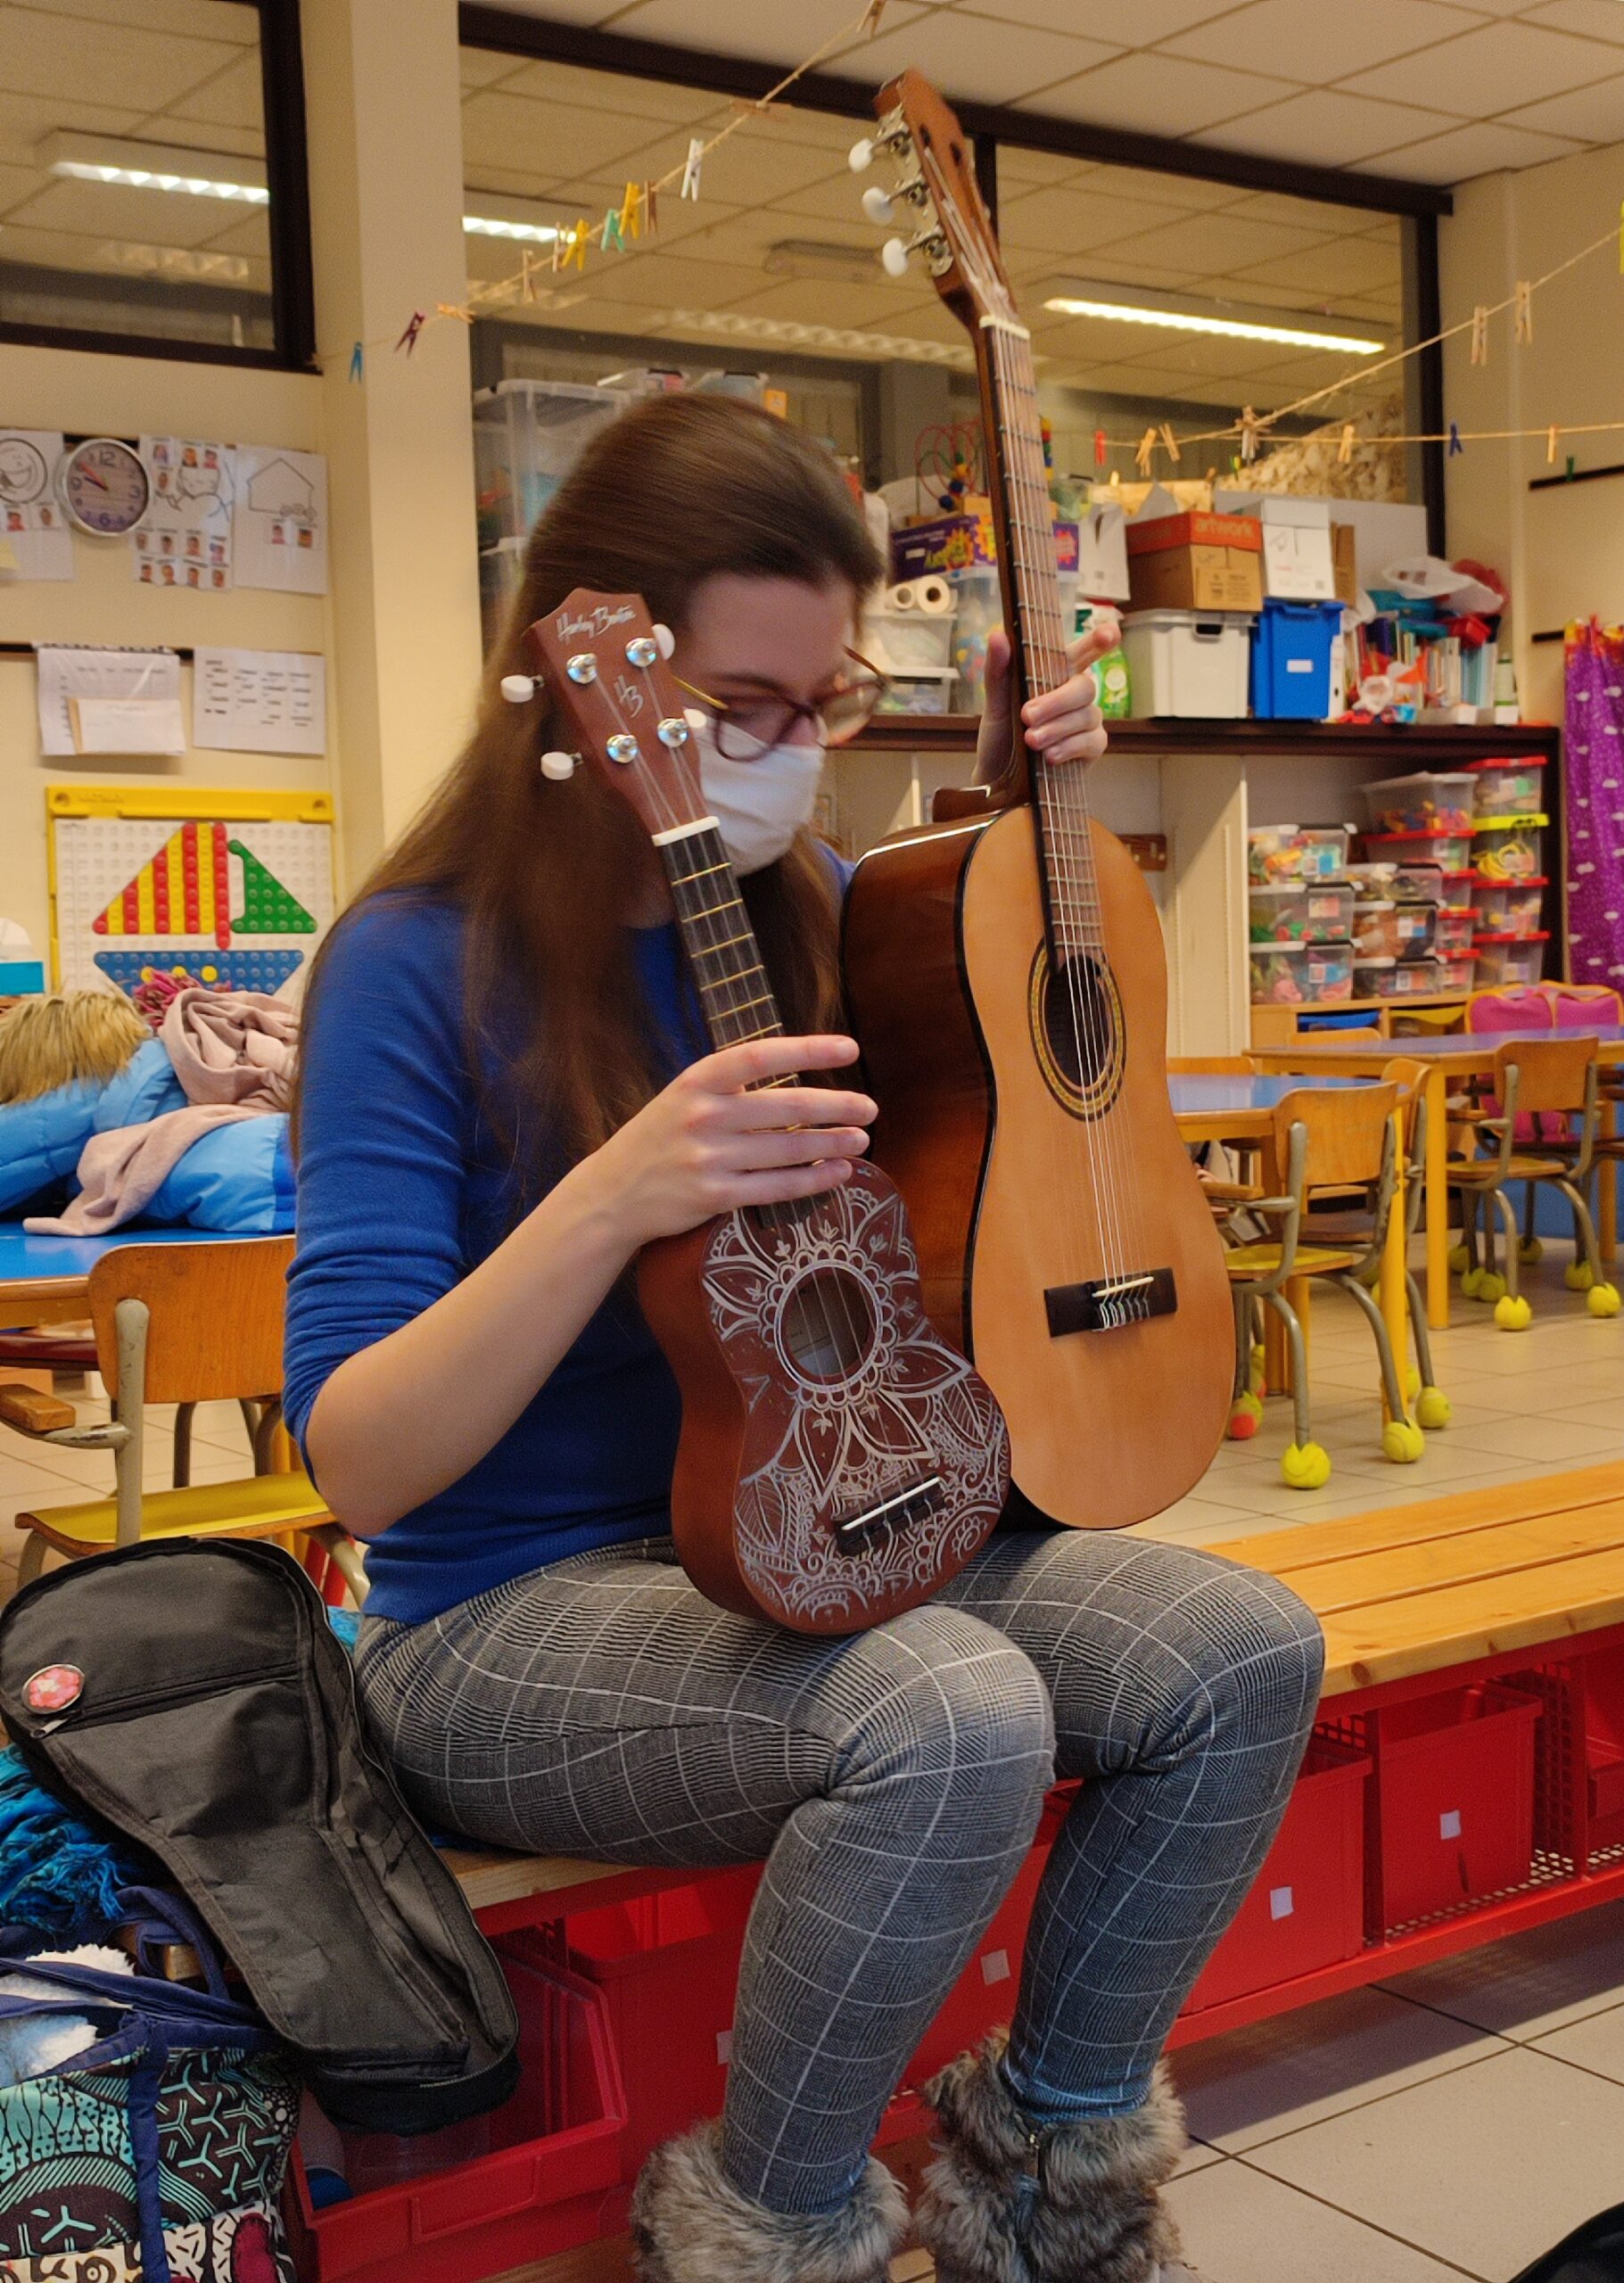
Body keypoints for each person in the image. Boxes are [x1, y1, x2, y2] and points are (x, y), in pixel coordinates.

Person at [285, 395, 1323, 2283]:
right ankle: (761, 2231)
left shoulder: (809, 908)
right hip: (501, 1614)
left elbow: (982, 1116)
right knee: (950, 1709)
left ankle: (1051, 2179)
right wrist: (617, 1187)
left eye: (819, 703)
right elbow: (356, 1454)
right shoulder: (409, 958)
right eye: (739, 708)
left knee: (1238, 1647)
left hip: (822, 1538)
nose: (782, 755)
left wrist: (1017, 806)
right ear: (584, 681)